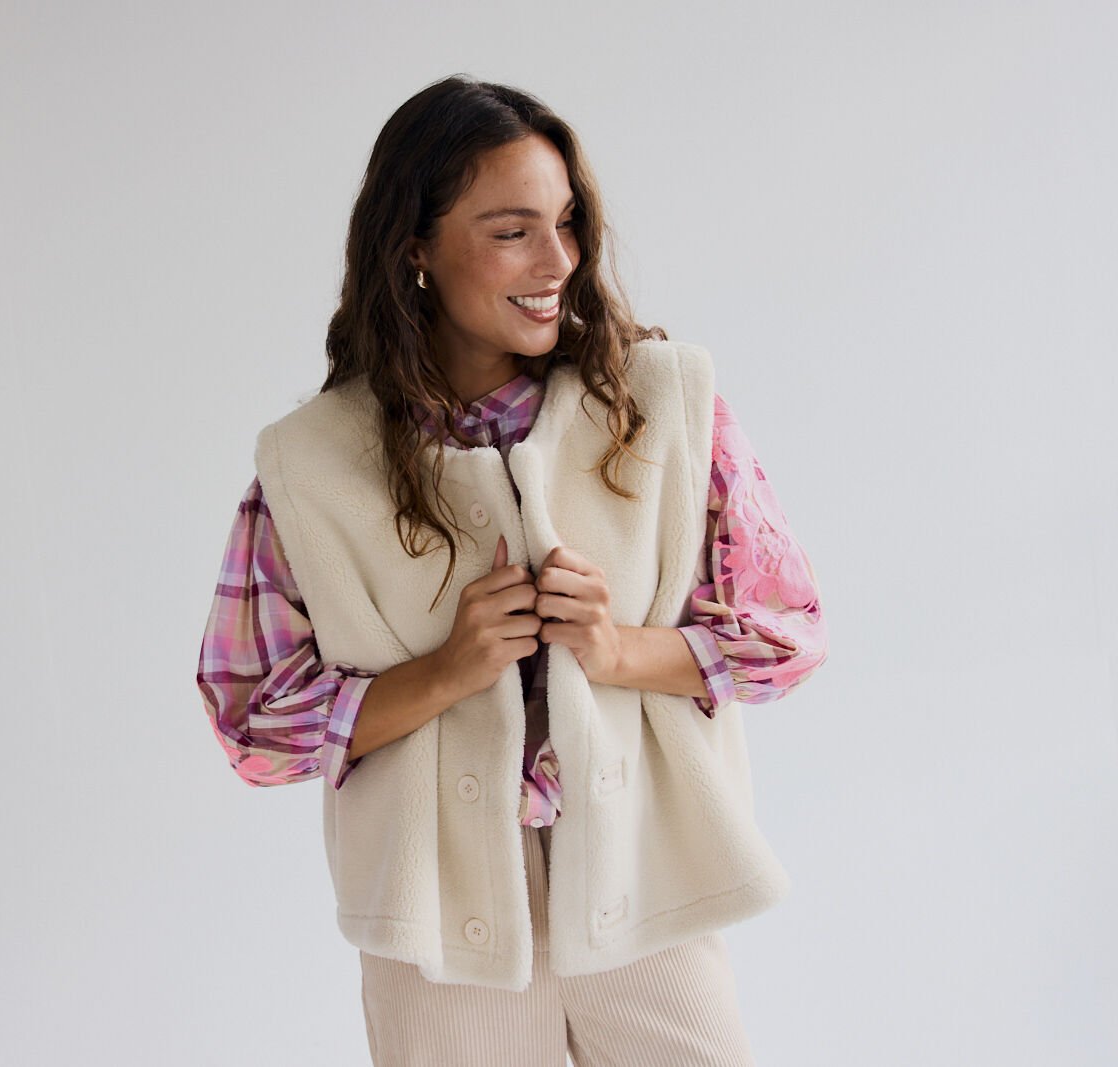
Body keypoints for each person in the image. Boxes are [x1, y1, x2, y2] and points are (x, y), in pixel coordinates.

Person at [196, 74, 827, 1066]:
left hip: (642, 881)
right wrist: (446, 671)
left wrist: (615, 648)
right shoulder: (311, 462)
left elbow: (783, 633)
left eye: (568, 222)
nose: (559, 261)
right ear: (414, 247)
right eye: (510, 230)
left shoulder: (663, 402)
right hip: (438, 922)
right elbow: (251, 720)